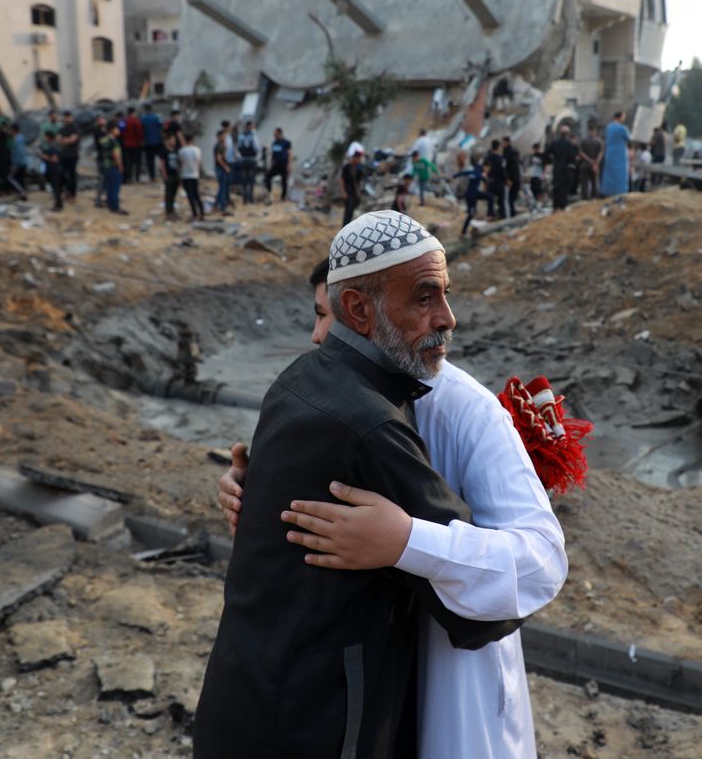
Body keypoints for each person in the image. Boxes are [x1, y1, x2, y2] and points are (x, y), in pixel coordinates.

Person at [193, 211, 523, 758]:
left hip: (241, 699)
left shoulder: (297, 379)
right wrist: (407, 542)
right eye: (424, 298)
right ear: (359, 310)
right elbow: (487, 609)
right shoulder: (372, 426)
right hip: (315, 728)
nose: (449, 318)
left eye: (444, 294)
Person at [546, 124, 578, 212]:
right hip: (566, 169)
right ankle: (562, 206)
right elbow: (573, 158)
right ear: (567, 134)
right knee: (564, 188)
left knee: (556, 187)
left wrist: (552, 160)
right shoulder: (569, 144)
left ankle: (555, 206)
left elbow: (547, 153)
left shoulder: (555, 143)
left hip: (557, 168)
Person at [455, 159, 491, 236]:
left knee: (490, 198)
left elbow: (465, 173)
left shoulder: (476, 170)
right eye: (488, 168)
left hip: (473, 193)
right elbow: (476, 176)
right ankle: (463, 232)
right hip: (471, 195)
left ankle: (489, 215)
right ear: (485, 166)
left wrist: (455, 176)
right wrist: (483, 177)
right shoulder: (478, 172)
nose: (488, 170)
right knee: (471, 214)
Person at [601, 111, 631, 197]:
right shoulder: (622, 128)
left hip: (609, 153)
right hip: (619, 154)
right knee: (620, 175)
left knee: (609, 174)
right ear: (620, 117)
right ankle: (620, 192)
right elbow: (629, 138)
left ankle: (607, 191)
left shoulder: (608, 127)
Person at [178, 135, 204, 221]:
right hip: (195, 175)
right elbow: (199, 162)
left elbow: (180, 163)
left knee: (190, 196)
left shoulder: (182, 151)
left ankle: (194, 214)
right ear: (192, 140)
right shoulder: (197, 150)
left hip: (186, 176)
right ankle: (202, 213)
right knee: (197, 195)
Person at [100, 124, 126, 215]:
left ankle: (111, 205)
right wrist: (120, 166)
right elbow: (116, 155)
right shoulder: (114, 142)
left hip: (106, 165)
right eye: (117, 129)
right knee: (115, 187)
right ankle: (115, 207)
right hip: (114, 166)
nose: (118, 130)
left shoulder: (105, 140)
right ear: (112, 130)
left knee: (109, 187)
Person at [236, 121, 262, 204]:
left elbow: (238, 147)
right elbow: (257, 147)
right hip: (251, 159)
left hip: (243, 159)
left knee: (244, 181)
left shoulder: (240, 136)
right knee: (251, 181)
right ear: (250, 127)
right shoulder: (253, 136)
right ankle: (250, 199)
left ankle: (245, 199)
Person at [36, 131, 63, 211]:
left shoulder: (53, 147)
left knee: (56, 188)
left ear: (48, 137)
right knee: (56, 188)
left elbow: (54, 159)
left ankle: (58, 205)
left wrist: (44, 156)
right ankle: (58, 204)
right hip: (55, 169)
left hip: (54, 170)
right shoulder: (53, 146)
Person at [159, 135, 183, 221]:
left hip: (176, 174)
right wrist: (165, 175)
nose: (173, 142)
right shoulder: (164, 150)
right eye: (172, 140)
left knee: (173, 194)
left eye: (174, 140)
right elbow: (162, 164)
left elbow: (179, 162)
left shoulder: (176, 150)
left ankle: (172, 211)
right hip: (169, 175)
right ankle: (168, 212)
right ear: (167, 141)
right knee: (168, 194)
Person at [57, 112, 79, 203]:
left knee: (72, 175)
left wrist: (64, 140)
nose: (67, 119)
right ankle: (66, 192)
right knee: (62, 173)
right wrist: (66, 140)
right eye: (65, 117)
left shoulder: (75, 128)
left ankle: (72, 194)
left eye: (68, 117)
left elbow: (73, 140)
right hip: (63, 155)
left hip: (72, 155)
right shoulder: (62, 129)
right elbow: (58, 140)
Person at [340, 145, 364, 226]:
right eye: (358, 158)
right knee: (348, 211)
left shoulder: (359, 168)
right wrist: (343, 192)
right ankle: (344, 227)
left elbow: (358, 182)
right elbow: (342, 179)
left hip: (354, 192)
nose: (359, 160)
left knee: (351, 211)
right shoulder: (347, 167)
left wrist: (358, 193)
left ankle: (348, 226)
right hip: (348, 191)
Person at [578, 124, 602, 200]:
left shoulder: (584, 141)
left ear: (588, 131)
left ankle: (584, 197)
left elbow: (581, 153)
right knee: (594, 181)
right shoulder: (599, 142)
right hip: (594, 165)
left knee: (584, 182)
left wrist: (589, 160)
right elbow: (601, 152)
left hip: (585, 164)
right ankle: (594, 196)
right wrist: (596, 162)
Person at [267, 128, 292, 203]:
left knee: (284, 181)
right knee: (267, 177)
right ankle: (269, 193)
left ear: (279, 133)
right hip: (275, 165)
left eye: (275, 133)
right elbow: (272, 154)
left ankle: (283, 197)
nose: (274, 135)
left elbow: (290, 154)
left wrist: (289, 165)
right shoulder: (274, 142)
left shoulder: (286, 142)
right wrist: (271, 162)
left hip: (284, 165)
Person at [141, 103, 164, 182]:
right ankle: (162, 174)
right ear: (151, 109)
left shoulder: (143, 119)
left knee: (150, 161)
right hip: (158, 141)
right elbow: (162, 127)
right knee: (160, 159)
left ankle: (152, 177)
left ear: (145, 110)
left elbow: (141, 131)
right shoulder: (157, 117)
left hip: (148, 143)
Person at [483, 140, 506, 218]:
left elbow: (484, 170)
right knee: (501, 202)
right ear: (498, 147)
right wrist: (506, 180)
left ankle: (490, 216)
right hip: (499, 182)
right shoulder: (500, 158)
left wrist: (486, 180)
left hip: (491, 181)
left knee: (491, 201)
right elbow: (502, 171)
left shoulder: (487, 157)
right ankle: (502, 216)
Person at [212, 129, 233, 215]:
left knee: (222, 187)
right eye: (223, 136)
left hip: (221, 168)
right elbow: (219, 158)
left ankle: (217, 204)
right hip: (221, 169)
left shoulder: (221, 145)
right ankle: (221, 205)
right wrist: (225, 167)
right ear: (219, 137)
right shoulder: (219, 146)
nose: (224, 137)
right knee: (222, 188)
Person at [5, 125, 28, 200]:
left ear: (13, 131)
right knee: (19, 178)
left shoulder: (16, 140)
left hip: (18, 162)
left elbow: (18, 152)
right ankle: (21, 194)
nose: (9, 132)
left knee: (10, 177)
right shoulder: (21, 137)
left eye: (10, 130)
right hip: (23, 161)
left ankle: (22, 192)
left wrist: (15, 163)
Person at [502, 136, 521, 217]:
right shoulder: (515, 151)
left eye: (503, 142)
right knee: (513, 198)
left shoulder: (507, 152)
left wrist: (507, 179)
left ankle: (512, 215)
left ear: (507, 142)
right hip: (516, 177)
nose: (502, 144)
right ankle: (514, 214)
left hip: (511, 178)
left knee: (510, 199)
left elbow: (505, 167)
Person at [526, 142, 545, 209]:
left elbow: (544, 165)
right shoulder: (532, 156)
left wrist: (543, 175)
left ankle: (540, 203)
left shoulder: (541, 155)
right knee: (533, 188)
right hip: (533, 174)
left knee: (539, 189)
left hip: (539, 175)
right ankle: (536, 202)